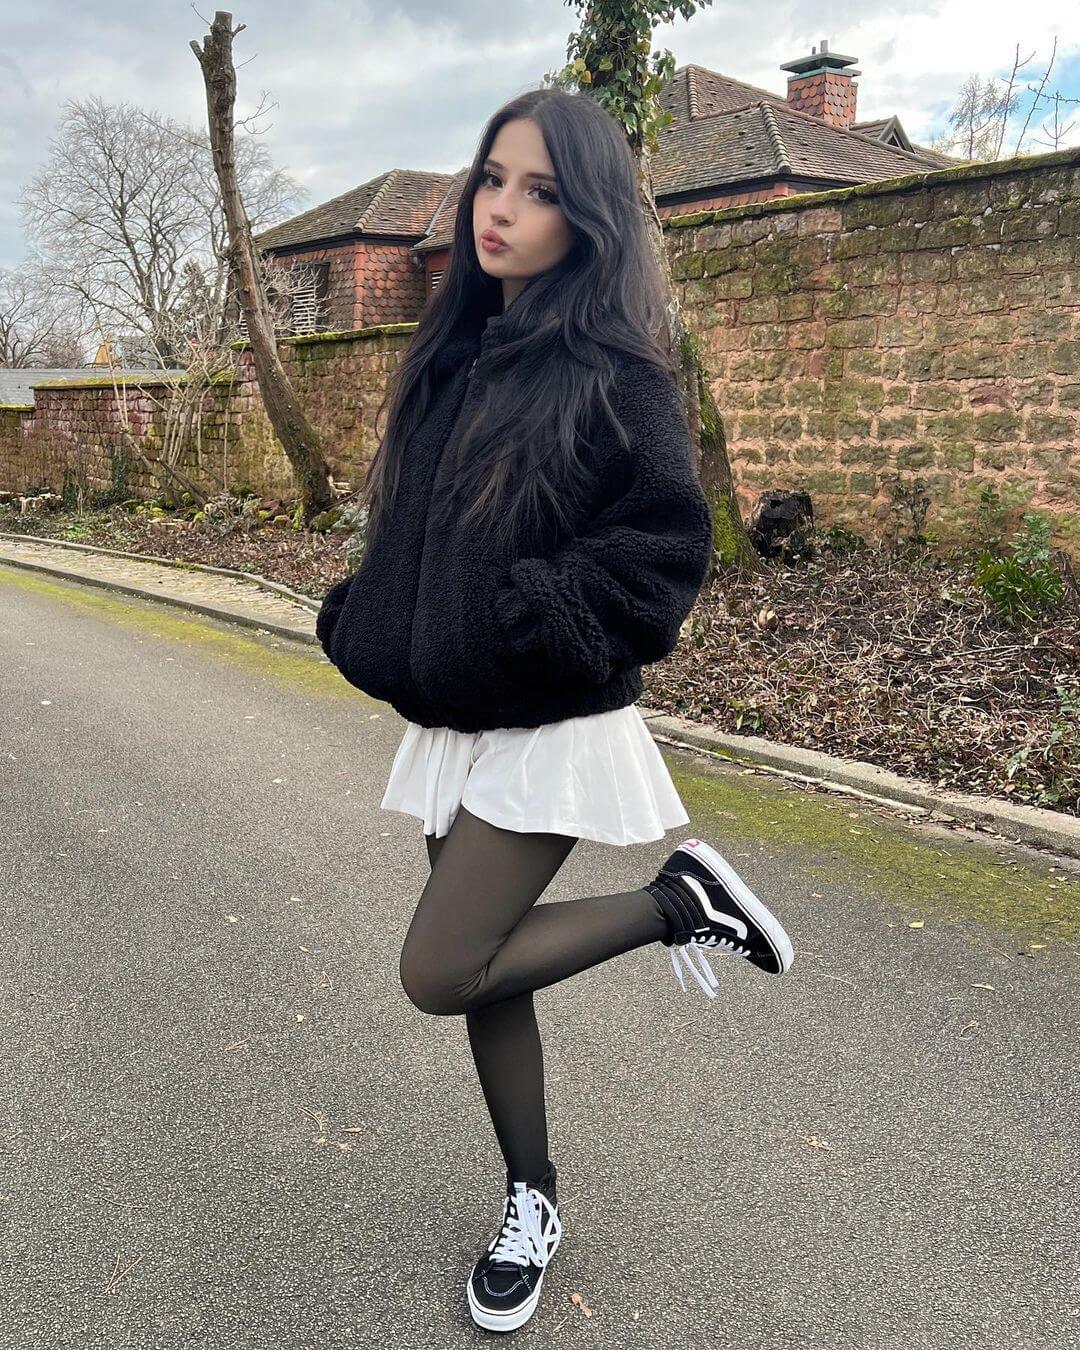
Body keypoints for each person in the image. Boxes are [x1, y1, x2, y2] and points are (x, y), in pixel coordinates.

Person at [316, 87, 794, 1334]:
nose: (502, 209)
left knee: (440, 969)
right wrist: (371, 618)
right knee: (487, 976)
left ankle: (678, 903)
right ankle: (531, 1199)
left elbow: (664, 548)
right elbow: (407, 538)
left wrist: (538, 620)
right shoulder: (449, 354)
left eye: (539, 191)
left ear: (587, 218)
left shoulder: (615, 369)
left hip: (552, 725)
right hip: (458, 720)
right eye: (492, 179)